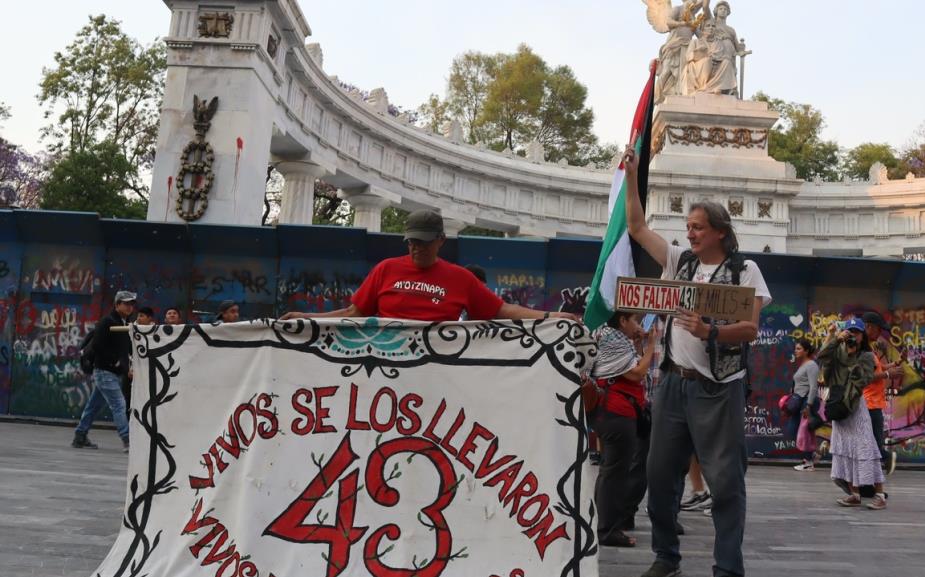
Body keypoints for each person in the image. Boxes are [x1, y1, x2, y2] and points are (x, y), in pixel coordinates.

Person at [622, 147, 771, 577]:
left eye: (698, 228)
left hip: (718, 388)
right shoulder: (677, 262)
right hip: (672, 384)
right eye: (688, 227)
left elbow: (751, 329)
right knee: (658, 475)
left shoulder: (745, 271)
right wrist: (633, 176)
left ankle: (727, 567)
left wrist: (711, 332)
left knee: (725, 482)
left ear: (720, 232)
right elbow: (636, 226)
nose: (690, 234)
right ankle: (666, 556)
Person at [280, 210, 575, 323]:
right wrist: (308, 317)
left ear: (441, 241)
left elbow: (502, 311)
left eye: (423, 241)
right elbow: (353, 313)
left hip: (436, 373)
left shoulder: (460, 278)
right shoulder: (386, 269)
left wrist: (551, 317)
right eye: (411, 242)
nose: (416, 247)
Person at [590, 312, 657, 548]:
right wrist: (651, 347)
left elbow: (627, 366)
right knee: (615, 474)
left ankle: (602, 524)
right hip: (617, 413)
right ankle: (608, 530)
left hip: (610, 412)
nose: (638, 326)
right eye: (635, 321)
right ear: (622, 321)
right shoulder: (612, 340)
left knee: (609, 471)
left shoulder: (611, 338)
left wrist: (638, 343)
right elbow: (636, 373)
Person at [821, 318, 887, 510]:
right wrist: (835, 338)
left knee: (866, 448)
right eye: (850, 332)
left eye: (856, 333)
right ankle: (854, 494)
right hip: (838, 405)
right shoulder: (839, 349)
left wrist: (850, 357)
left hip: (855, 408)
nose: (853, 336)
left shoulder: (866, 355)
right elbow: (823, 357)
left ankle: (880, 495)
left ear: (862, 336)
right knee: (846, 450)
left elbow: (863, 379)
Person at [72, 290, 135, 452]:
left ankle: (80, 435)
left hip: (111, 372)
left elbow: (126, 348)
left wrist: (128, 364)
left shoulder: (124, 323)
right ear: (117, 304)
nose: (129, 307)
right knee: (119, 404)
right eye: (126, 303)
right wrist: (113, 362)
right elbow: (97, 345)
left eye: (131, 304)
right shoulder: (108, 321)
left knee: (93, 405)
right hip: (104, 371)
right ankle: (127, 440)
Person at [861, 311, 901, 475]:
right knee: (873, 442)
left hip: (874, 402)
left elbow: (877, 368)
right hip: (869, 403)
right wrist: (887, 375)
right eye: (879, 330)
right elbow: (866, 377)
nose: (880, 334)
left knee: (873, 441)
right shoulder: (864, 351)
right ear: (868, 327)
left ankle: (874, 473)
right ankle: (885, 458)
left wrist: (893, 365)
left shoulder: (869, 349)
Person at [790, 338, 821, 471]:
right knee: (797, 430)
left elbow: (814, 387)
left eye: (799, 349)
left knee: (801, 431)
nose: (795, 351)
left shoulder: (811, 365)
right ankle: (811, 456)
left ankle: (809, 461)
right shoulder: (803, 365)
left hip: (807, 401)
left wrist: (808, 405)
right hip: (800, 400)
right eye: (795, 348)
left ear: (806, 351)